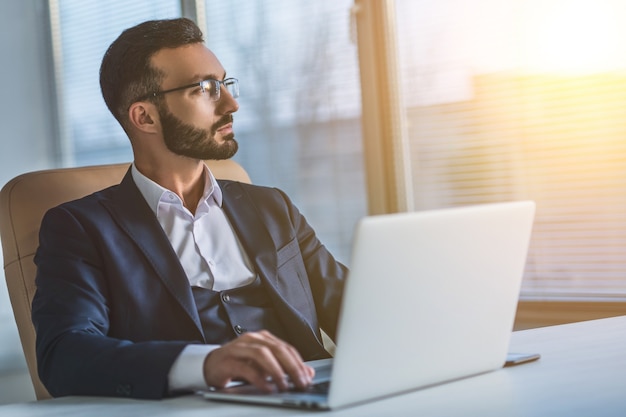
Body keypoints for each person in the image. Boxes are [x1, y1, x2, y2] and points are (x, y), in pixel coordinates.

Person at [31, 18, 347, 400]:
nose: (232, 103)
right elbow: (64, 356)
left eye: (225, 84)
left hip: (319, 399)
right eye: (206, 88)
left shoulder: (272, 206)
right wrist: (204, 364)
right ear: (144, 116)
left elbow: (357, 308)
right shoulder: (80, 227)